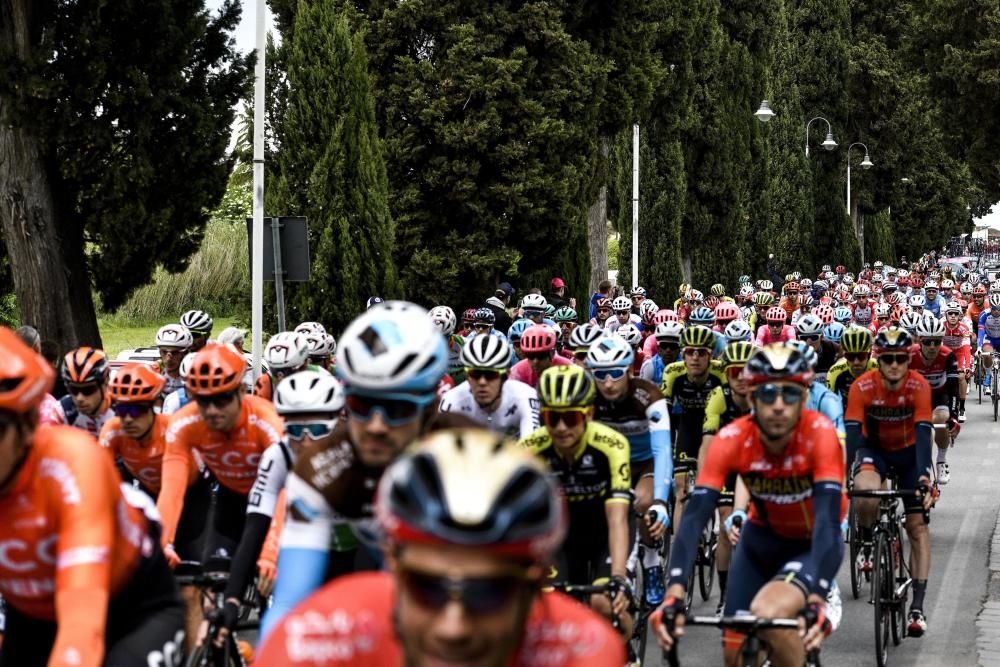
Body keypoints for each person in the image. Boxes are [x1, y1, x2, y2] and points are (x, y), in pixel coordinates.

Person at [256, 428, 625, 666]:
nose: (454, 627)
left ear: (534, 586)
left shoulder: (583, 649)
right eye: (425, 587)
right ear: (393, 569)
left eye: (487, 592)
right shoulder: (313, 638)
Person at [259, 302, 474, 640]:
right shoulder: (321, 467)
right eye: (360, 405)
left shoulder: (472, 459)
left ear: (431, 406)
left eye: (397, 407)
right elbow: (289, 604)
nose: (375, 425)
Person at [0, 327, 185, 667]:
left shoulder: (74, 462)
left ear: (27, 426)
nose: (81, 397)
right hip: (33, 610)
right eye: (75, 390)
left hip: (130, 608)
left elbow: (82, 623)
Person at [653, 344, 844, 666]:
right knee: (733, 653)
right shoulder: (733, 437)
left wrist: (816, 596)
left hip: (809, 546)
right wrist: (673, 592)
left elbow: (828, 520)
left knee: (768, 613)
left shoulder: (820, 434)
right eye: (768, 395)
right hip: (759, 542)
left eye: (791, 395)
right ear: (751, 397)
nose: (779, 406)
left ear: (805, 397)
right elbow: (695, 517)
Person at [211, 371, 345, 650]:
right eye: (296, 430)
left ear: (337, 424)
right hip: (300, 544)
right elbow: (255, 529)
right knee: (277, 634)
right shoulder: (279, 455)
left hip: (352, 548)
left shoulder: (355, 453)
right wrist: (233, 600)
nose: (306, 442)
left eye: (317, 429)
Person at [98, 363, 209, 652]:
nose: (127, 419)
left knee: (188, 591)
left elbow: (172, 492)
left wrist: (165, 541)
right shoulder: (113, 432)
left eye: (135, 411)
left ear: (154, 407)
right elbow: (97, 487)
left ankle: (198, 653)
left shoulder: (171, 432)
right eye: (121, 410)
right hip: (152, 498)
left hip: (192, 500)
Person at [520, 366, 633, 636]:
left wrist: (619, 576)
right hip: (561, 539)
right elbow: (521, 520)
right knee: (549, 607)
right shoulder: (529, 450)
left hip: (605, 531)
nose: (560, 427)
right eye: (552, 417)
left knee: (604, 602)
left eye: (570, 417)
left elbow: (617, 518)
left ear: (589, 414)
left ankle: (624, 655)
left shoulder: (611, 445)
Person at [157, 343, 285, 570]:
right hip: (231, 500)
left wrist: (270, 553)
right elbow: (172, 488)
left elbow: (285, 490)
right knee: (211, 576)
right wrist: (164, 543)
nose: (213, 410)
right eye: (203, 401)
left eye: (223, 399)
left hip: (275, 503)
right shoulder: (185, 423)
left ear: (241, 392)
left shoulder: (266, 420)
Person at [846, 327, 936, 637]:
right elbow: (854, 436)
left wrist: (925, 476)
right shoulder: (862, 386)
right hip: (876, 451)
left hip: (911, 454)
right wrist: (841, 476)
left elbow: (924, 432)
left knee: (918, 528)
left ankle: (917, 607)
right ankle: (869, 540)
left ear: (907, 361)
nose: (894, 365)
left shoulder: (919, 385)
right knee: (865, 491)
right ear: (879, 360)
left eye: (900, 359)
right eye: (888, 359)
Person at [587, 336, 673, 605]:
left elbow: (662, 450)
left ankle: (650, 563)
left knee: (643, 504)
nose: (608, 383)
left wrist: (660, 501)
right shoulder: (588, 397)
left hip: (645, 463)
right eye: (600, 375)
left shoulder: (648, 395)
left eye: (615, 373)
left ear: (629, 371)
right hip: (609, 465)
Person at [699, 340, 755, 615]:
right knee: (724, 526)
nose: (742, 379)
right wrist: (703, 485)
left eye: (747, 372)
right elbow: (707, 446)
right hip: (726, 466)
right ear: (726, 374)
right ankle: (723, 596)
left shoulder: (765, 395)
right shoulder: (718, 397)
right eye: (735, 373)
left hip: (756, 468)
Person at [661, 325, 726, 527]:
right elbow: (665, 416)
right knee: (680, 490)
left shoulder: (720, 372)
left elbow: (730, 412)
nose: (695, 358)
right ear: (683, 354)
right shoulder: (672, 372)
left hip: (716, 429)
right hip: (687, 426)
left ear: (710, 355)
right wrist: (667, 447)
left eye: (701, 353)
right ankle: (681, 544)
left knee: (711, 485)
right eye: (690, 352)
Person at [439, 335, 540, 439]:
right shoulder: (451, 401)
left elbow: (533, 446)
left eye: (491, 375)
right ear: (466, 376)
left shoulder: (525, 397)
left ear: (505, 376)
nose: (482, 382)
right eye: (475, 374)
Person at [909, 316, 959, 485]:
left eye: (936, 342)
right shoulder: (909, 355)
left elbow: (953, 388)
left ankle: (941, 461)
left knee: (941, 419)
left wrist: (953, 416)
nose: (932, 347)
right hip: (916, 397)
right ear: (920, 341)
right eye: (927, 342)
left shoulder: (948, 355)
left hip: (940, 394)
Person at [55, 347, 115, 436]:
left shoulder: (121, 410)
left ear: (105, 383)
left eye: (88, 390)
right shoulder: (63, 410)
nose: (80, 398)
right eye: (74, 390)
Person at [253, 331, 313, 401]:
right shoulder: (265, 381)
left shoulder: (320, 376)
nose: (281, 379)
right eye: (275, 372)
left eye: (289, 372)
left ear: (306, 364)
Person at [155, 323, 193, 395]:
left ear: (186, 352)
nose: (169, 358)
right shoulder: (153, 372)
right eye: (164, 352)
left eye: (175, 352)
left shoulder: (196, 376)